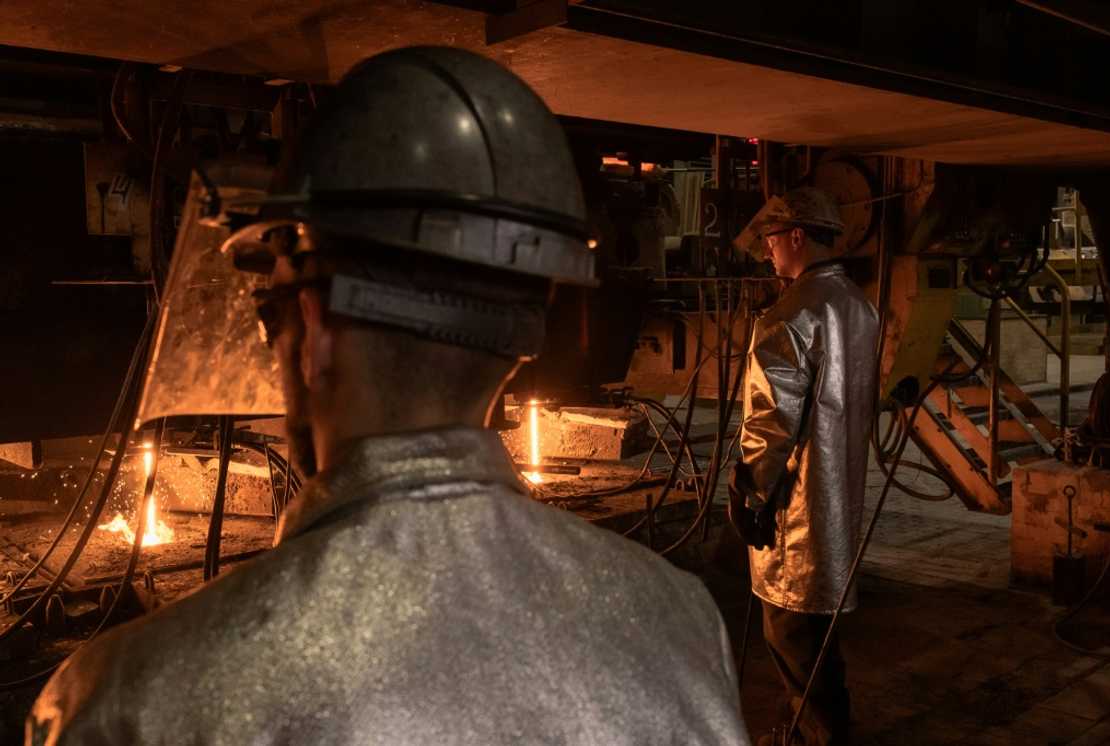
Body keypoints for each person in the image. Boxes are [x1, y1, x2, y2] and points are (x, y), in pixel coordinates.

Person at [27, 47, 749, 745]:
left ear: (312, 330)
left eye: (268, 314)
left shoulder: (126, 700)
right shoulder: (677, 618)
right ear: (516, 336)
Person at [728, 187, 878, 746]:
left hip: (796, 511)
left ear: (797, 236)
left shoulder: (789, 316)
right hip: (839, 500)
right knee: (821, 636)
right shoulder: (859, 306)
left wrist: (749, 494)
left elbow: (771, 424)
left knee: (790, 631)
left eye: (771, 240)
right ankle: (814, 728)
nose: (767, 252)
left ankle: (818, 738)